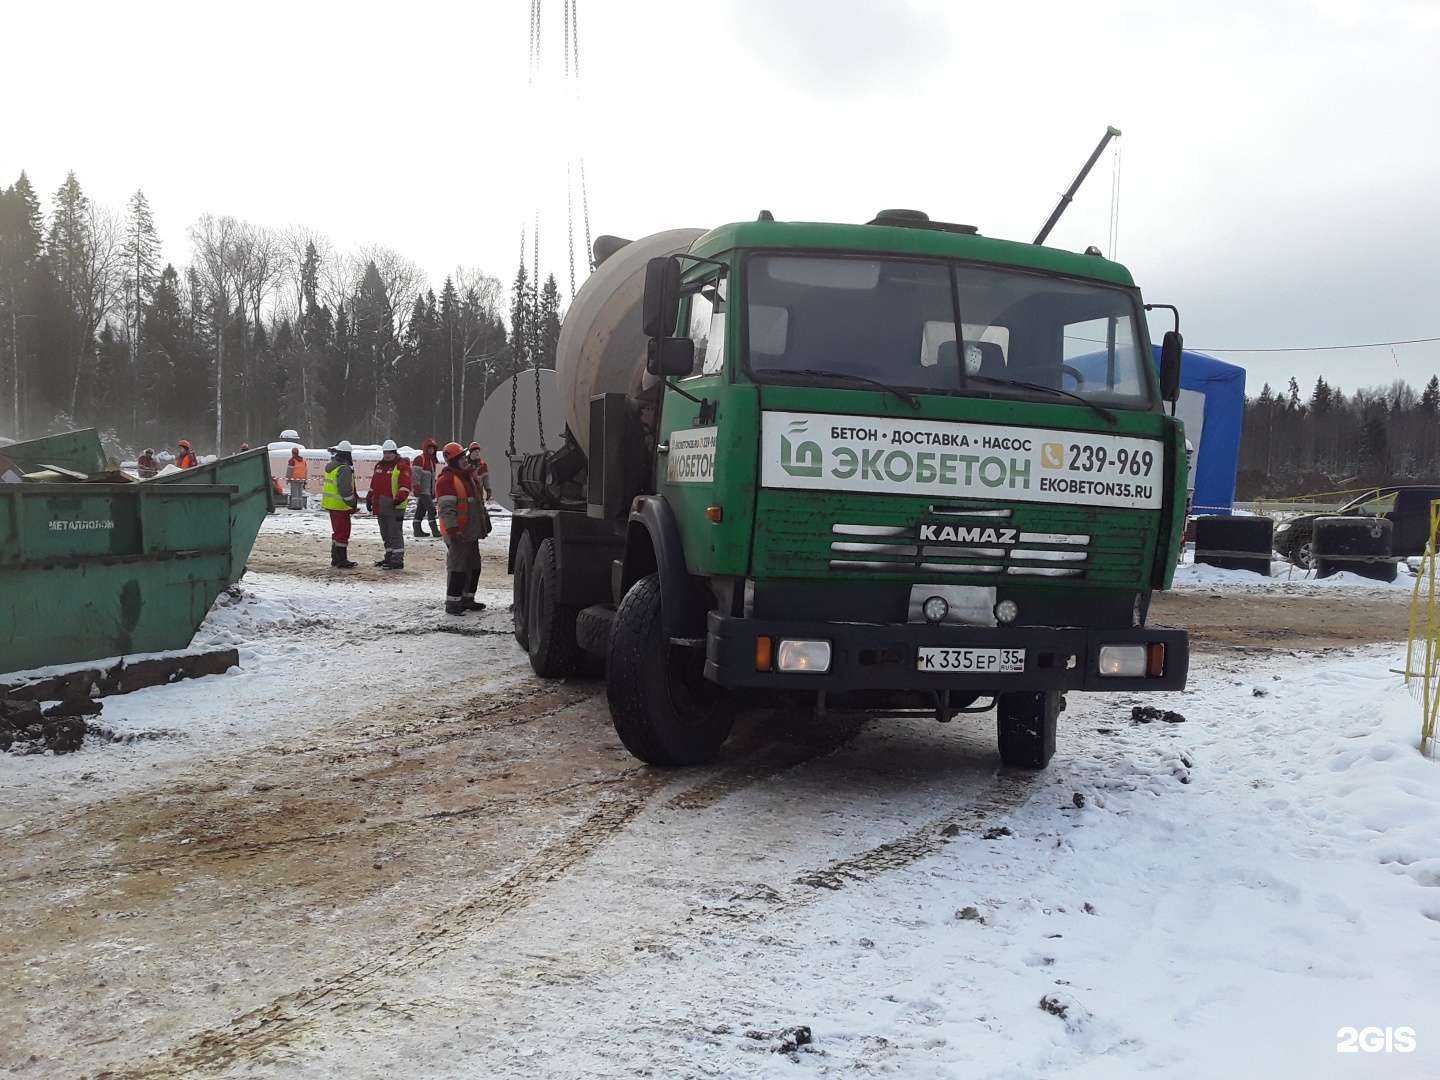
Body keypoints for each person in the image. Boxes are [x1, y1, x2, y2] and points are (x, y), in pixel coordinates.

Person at [436, 441, 490, 615]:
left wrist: (484, 523)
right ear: (452, 461)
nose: (465, 460)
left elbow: (478, 503)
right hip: (459, 532)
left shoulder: (468, 477)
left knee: (474, 566)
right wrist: (453, 531)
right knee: (458, 567)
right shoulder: (447, 480)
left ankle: (468, 599)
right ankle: (453, 602)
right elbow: (446, 509)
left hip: (471, 531)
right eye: (461, 458)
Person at [366, 439, 412, 570]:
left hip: (395, 506)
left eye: (390, 453)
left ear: (395, 452)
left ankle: (397, 560)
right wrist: (370, 498)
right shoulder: (379, 466)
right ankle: (389, 555)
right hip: (381, 505)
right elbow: (374, 485)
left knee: (395, 533)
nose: (387, 455)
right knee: (385, 533)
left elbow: (405, 486)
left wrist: (398, 500)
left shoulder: (401, 466)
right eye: (385, 452)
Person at [321, 440, 359, 569]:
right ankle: (341, 560)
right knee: (343, 532)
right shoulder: (344, 469)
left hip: (332, 505)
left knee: (337, 532)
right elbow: (345, 490)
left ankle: (336, 559)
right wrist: (352, 503)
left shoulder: (332, 466)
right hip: (341, 506)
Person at [410, 437, 439, 538]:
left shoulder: (431, 462)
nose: (432, 450)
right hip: (422, 491)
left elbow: (432, 478)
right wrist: (416, 487)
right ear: (425, 448)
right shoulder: (420, 459)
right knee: (432, 510)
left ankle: (417, 530)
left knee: (421, 510)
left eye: (433, 448)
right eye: (429, 448)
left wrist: (433, 491)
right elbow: (415, 475)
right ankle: (435, 530)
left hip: (427, 491)